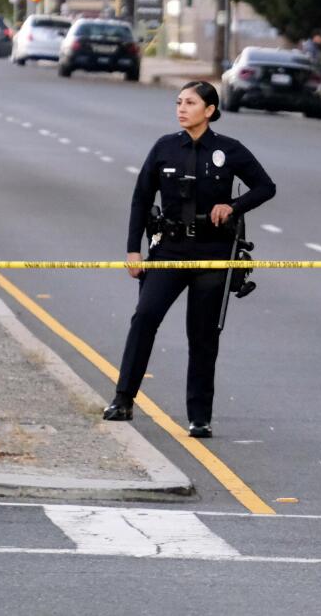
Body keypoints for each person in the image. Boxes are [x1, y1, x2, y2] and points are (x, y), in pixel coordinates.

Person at [105, 81, 276, 438]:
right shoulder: (164, 148)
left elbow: (265, 186)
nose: (181, 108)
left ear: (210, 110)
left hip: (212, 252)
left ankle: (200, 416)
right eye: (179, 102)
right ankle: (123, 399)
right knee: (144, 317)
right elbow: (140, 199)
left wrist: (233, 205)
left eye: (190, 103)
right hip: (168, 249)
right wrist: (133, 250)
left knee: (202, 335)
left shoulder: (229, 150)